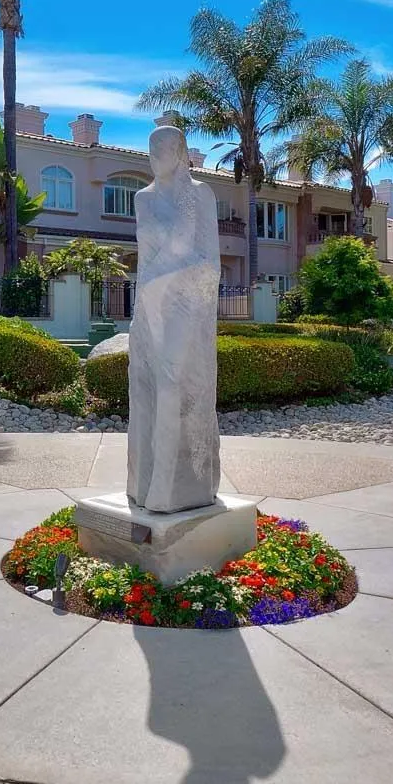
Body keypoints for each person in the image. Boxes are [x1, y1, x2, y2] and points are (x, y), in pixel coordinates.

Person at [126, 124, 222, 513]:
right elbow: (145, 259)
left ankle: (174, 487)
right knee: (144, 383)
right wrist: (147, 300)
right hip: (149, 302)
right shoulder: (142, 199)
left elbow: (209, 261)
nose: (154, 154)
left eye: (162, 147)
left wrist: (176, 285)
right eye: (150, 147)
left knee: (172, 383)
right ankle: (142, 482)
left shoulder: (201, 195)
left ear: (180, 151)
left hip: (187, 301)